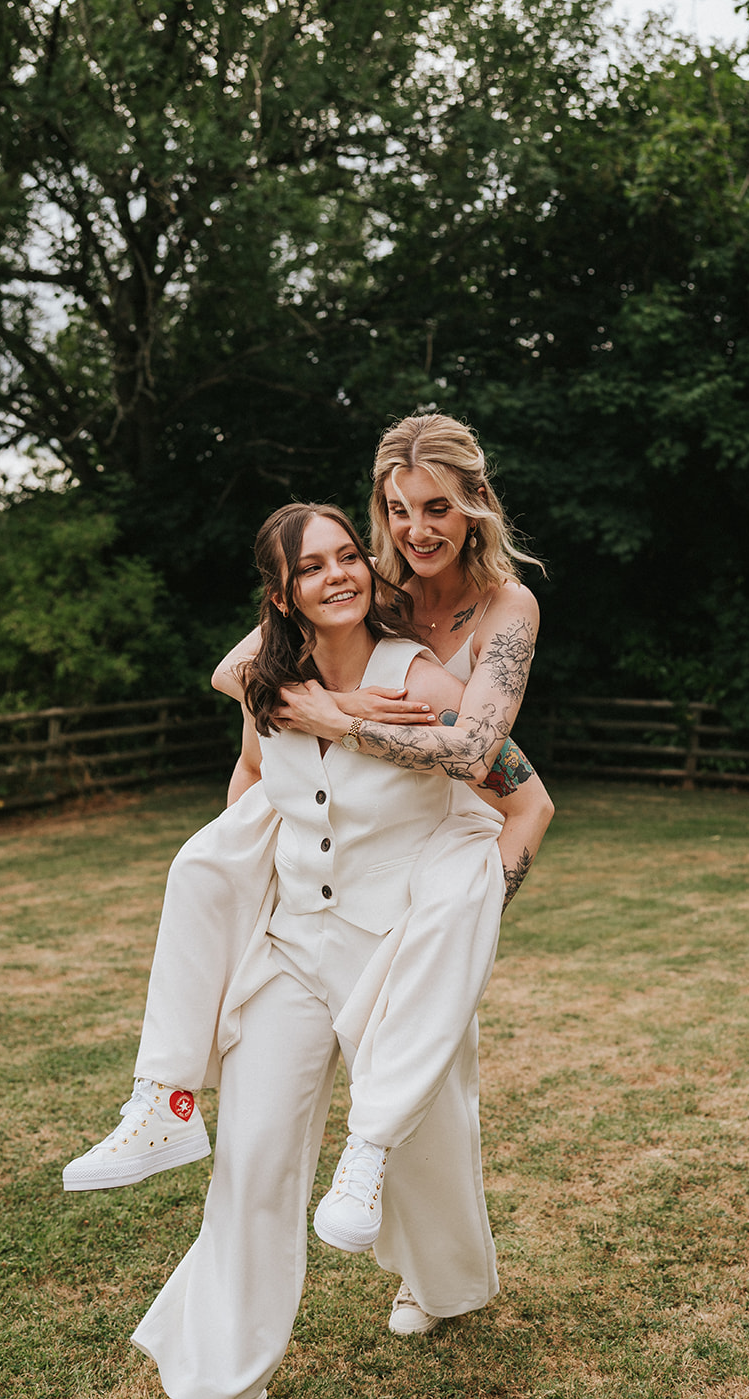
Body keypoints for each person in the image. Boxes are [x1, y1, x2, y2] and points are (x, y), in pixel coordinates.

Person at [63, 415, 552, 1225]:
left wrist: (344, 725)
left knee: (435, 1100)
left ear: (475, 503)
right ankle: (163, 1097)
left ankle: (433, 1275)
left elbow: (477, 754)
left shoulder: (507, 607)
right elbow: (233, 670)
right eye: (397, 509)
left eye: (435, 507)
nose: (415, 528)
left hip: (440, 849)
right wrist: (332, 701)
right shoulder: (367, 584)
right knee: (201, 868)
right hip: (343, 847)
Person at [134, 499, 533, 1399]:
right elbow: (250, 784)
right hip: (291, 949)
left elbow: (517, 788)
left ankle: (442, 1286)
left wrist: (475, 918)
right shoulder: (271, 680)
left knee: (430, 1140)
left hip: (398, 948)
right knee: (255, 1155)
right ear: (284, 592)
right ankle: (217, 1383)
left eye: (349, 556)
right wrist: (244, 908)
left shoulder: (428, 674)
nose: (339, 574)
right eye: (314, 567)